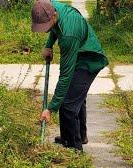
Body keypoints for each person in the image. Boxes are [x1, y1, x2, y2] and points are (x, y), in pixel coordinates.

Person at [31, 0, 108, 151]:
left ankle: (74, 149)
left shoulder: (68, 35)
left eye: (46, 26)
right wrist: (48, 45)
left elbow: (65, 76)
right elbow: (54, 28)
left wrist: (50, 108)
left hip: (89, 59)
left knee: (67, 105)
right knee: (76, 97)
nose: (45, 30)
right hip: (80, 51)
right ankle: (76, 135)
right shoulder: (52, 6)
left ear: (53, 15)